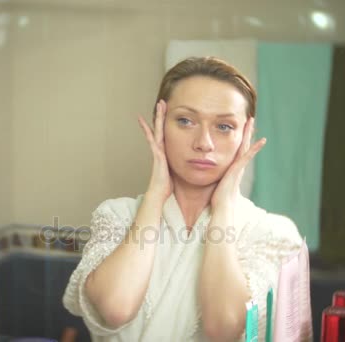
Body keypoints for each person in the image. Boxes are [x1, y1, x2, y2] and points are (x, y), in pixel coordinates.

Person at [63, 57, 304, 341]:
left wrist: (223, 208)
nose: (204, 142)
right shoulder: (117, 216)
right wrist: (155, 197)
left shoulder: (272, 233)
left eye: (224, 126)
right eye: (185, 121)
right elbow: (115, 308)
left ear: (245, 136)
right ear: (160, 124)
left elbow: (223, 328)